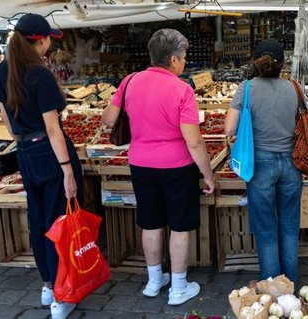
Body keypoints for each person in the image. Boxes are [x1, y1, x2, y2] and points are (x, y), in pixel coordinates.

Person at [101, 29, 215, 305]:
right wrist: (208, 175)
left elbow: (107, 120)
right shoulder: (182, 89)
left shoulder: (129, 81)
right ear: (174, 59)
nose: (185, 62)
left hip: (140, 164)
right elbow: (194, 140)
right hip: (177, 167)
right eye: (184, 57)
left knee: (150, 222)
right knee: (179, 225)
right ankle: (178, 287)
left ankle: (153, 281)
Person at [0, 13, 84, 319]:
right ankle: (62, 295)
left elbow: (9, 123)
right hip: (49, 152)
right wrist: (67, 169)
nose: (48, 47)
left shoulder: (2, 71)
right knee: (60, 223)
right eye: (47, 41)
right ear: (40, 40)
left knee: (39, 222)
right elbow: (54, 129)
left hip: (25, 151)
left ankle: (48, 285)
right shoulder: (40, 75)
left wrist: (24, 140)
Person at [224, 39, 303, 285]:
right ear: (282, 64)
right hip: (292, 163)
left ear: (255, 62)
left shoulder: (246, 88)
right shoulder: (294, 88)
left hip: (259, 164)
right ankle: (290, 284)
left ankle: (272, 287)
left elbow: (229, 129)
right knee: (289, 226)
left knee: (266, 229)